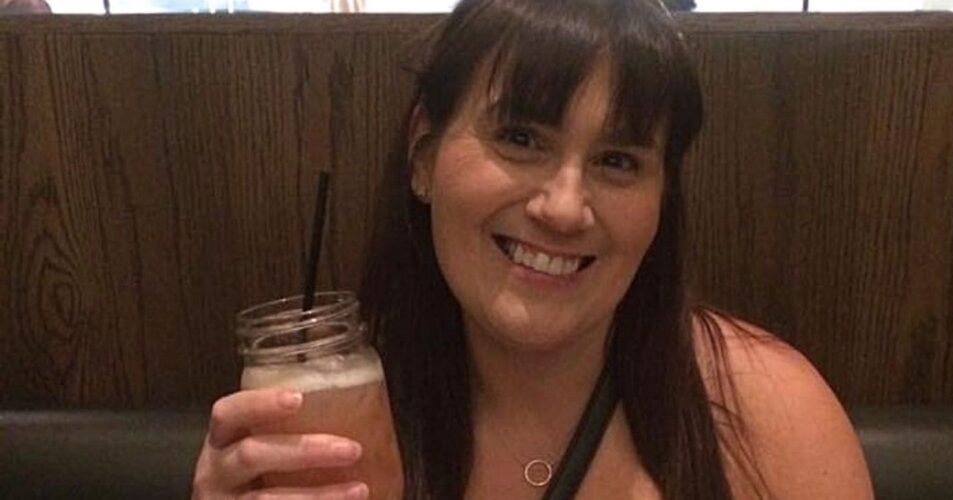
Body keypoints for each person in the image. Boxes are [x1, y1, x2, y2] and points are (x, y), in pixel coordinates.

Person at [192, 0, 874, 498]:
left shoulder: (769, 414)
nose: (565, 207)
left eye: (617, 160)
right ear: (424, 153)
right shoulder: (331, 426)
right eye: (521, 139)